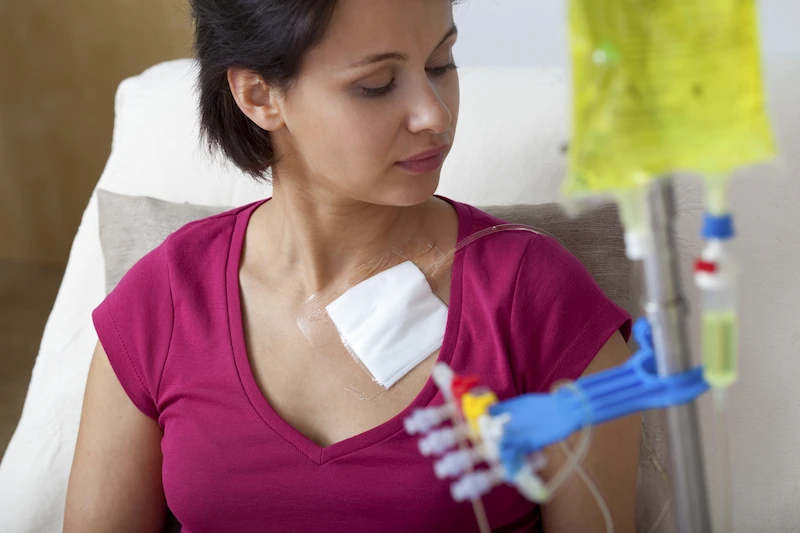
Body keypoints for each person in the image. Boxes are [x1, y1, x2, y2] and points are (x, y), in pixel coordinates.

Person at [64, 1, 640, 531]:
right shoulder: (164, 298)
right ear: (260, 96)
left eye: (441, 64)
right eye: (377, 85)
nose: (433, 116)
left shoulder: (534, 297)